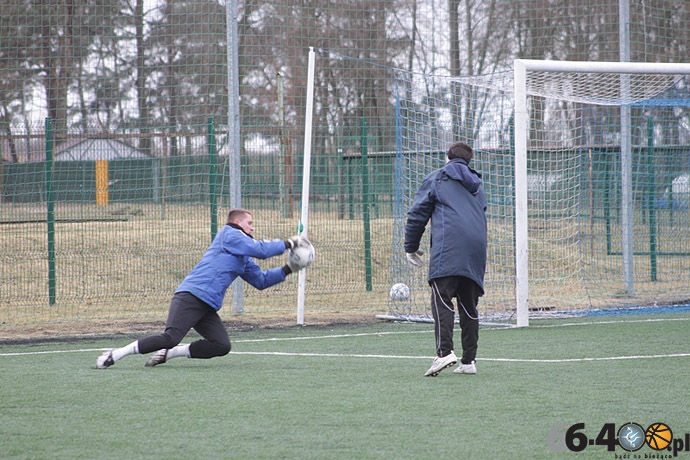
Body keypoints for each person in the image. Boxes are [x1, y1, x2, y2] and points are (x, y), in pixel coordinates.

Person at [97, 208, 306, 369]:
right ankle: (114, 354)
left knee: (221, 345)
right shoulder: (229, 234)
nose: (252, 227)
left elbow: (260, 280)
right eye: (249, 223)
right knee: (170, 337)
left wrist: (289, 269)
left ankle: (170, 354)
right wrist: (289, 243)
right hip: (191, 296)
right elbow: (261, 250)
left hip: (206, 306)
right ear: (237, 222)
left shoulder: (242, 255)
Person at [404, 141, 487, 377]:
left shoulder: (437, 178)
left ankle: (444, 353)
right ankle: (469, 361)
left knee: (441, 298)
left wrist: (411, 247)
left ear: (447, 158)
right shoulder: (478, 186)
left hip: (449, 246)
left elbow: (418, 213)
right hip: (476, 249)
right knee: (469, 305)